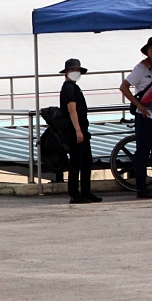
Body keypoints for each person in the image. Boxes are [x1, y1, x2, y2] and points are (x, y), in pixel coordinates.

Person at [120, 36, 152, 199]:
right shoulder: (139, 69)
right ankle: (141, 188)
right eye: (151, 47)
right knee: (142, 152)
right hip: (145, 116)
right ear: (146, 50)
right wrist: (139, 106)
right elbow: (124, 87)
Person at [59, 58, 101, 204]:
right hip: (75, 131)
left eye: (77, 70)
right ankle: (75, 193)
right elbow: (72, 110)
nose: (76, 72)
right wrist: (78, 130)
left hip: (81, 129)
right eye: (73, 70)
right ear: (66, 72)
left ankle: (85, 191)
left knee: (86, 161)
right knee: (76, 162)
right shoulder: (69, 88)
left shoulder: (73, 87)